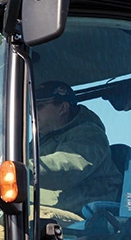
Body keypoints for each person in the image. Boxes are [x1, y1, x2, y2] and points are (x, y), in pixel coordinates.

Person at [33, 81, 117, 222]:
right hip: (50, 207)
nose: (32, 113)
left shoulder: (90, 134)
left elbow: (66, 167)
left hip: (84, 216)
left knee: (16, 221)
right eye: (31, 108)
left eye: (39, 107)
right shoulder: (41, 142)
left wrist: (20, 169)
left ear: (63, 108)